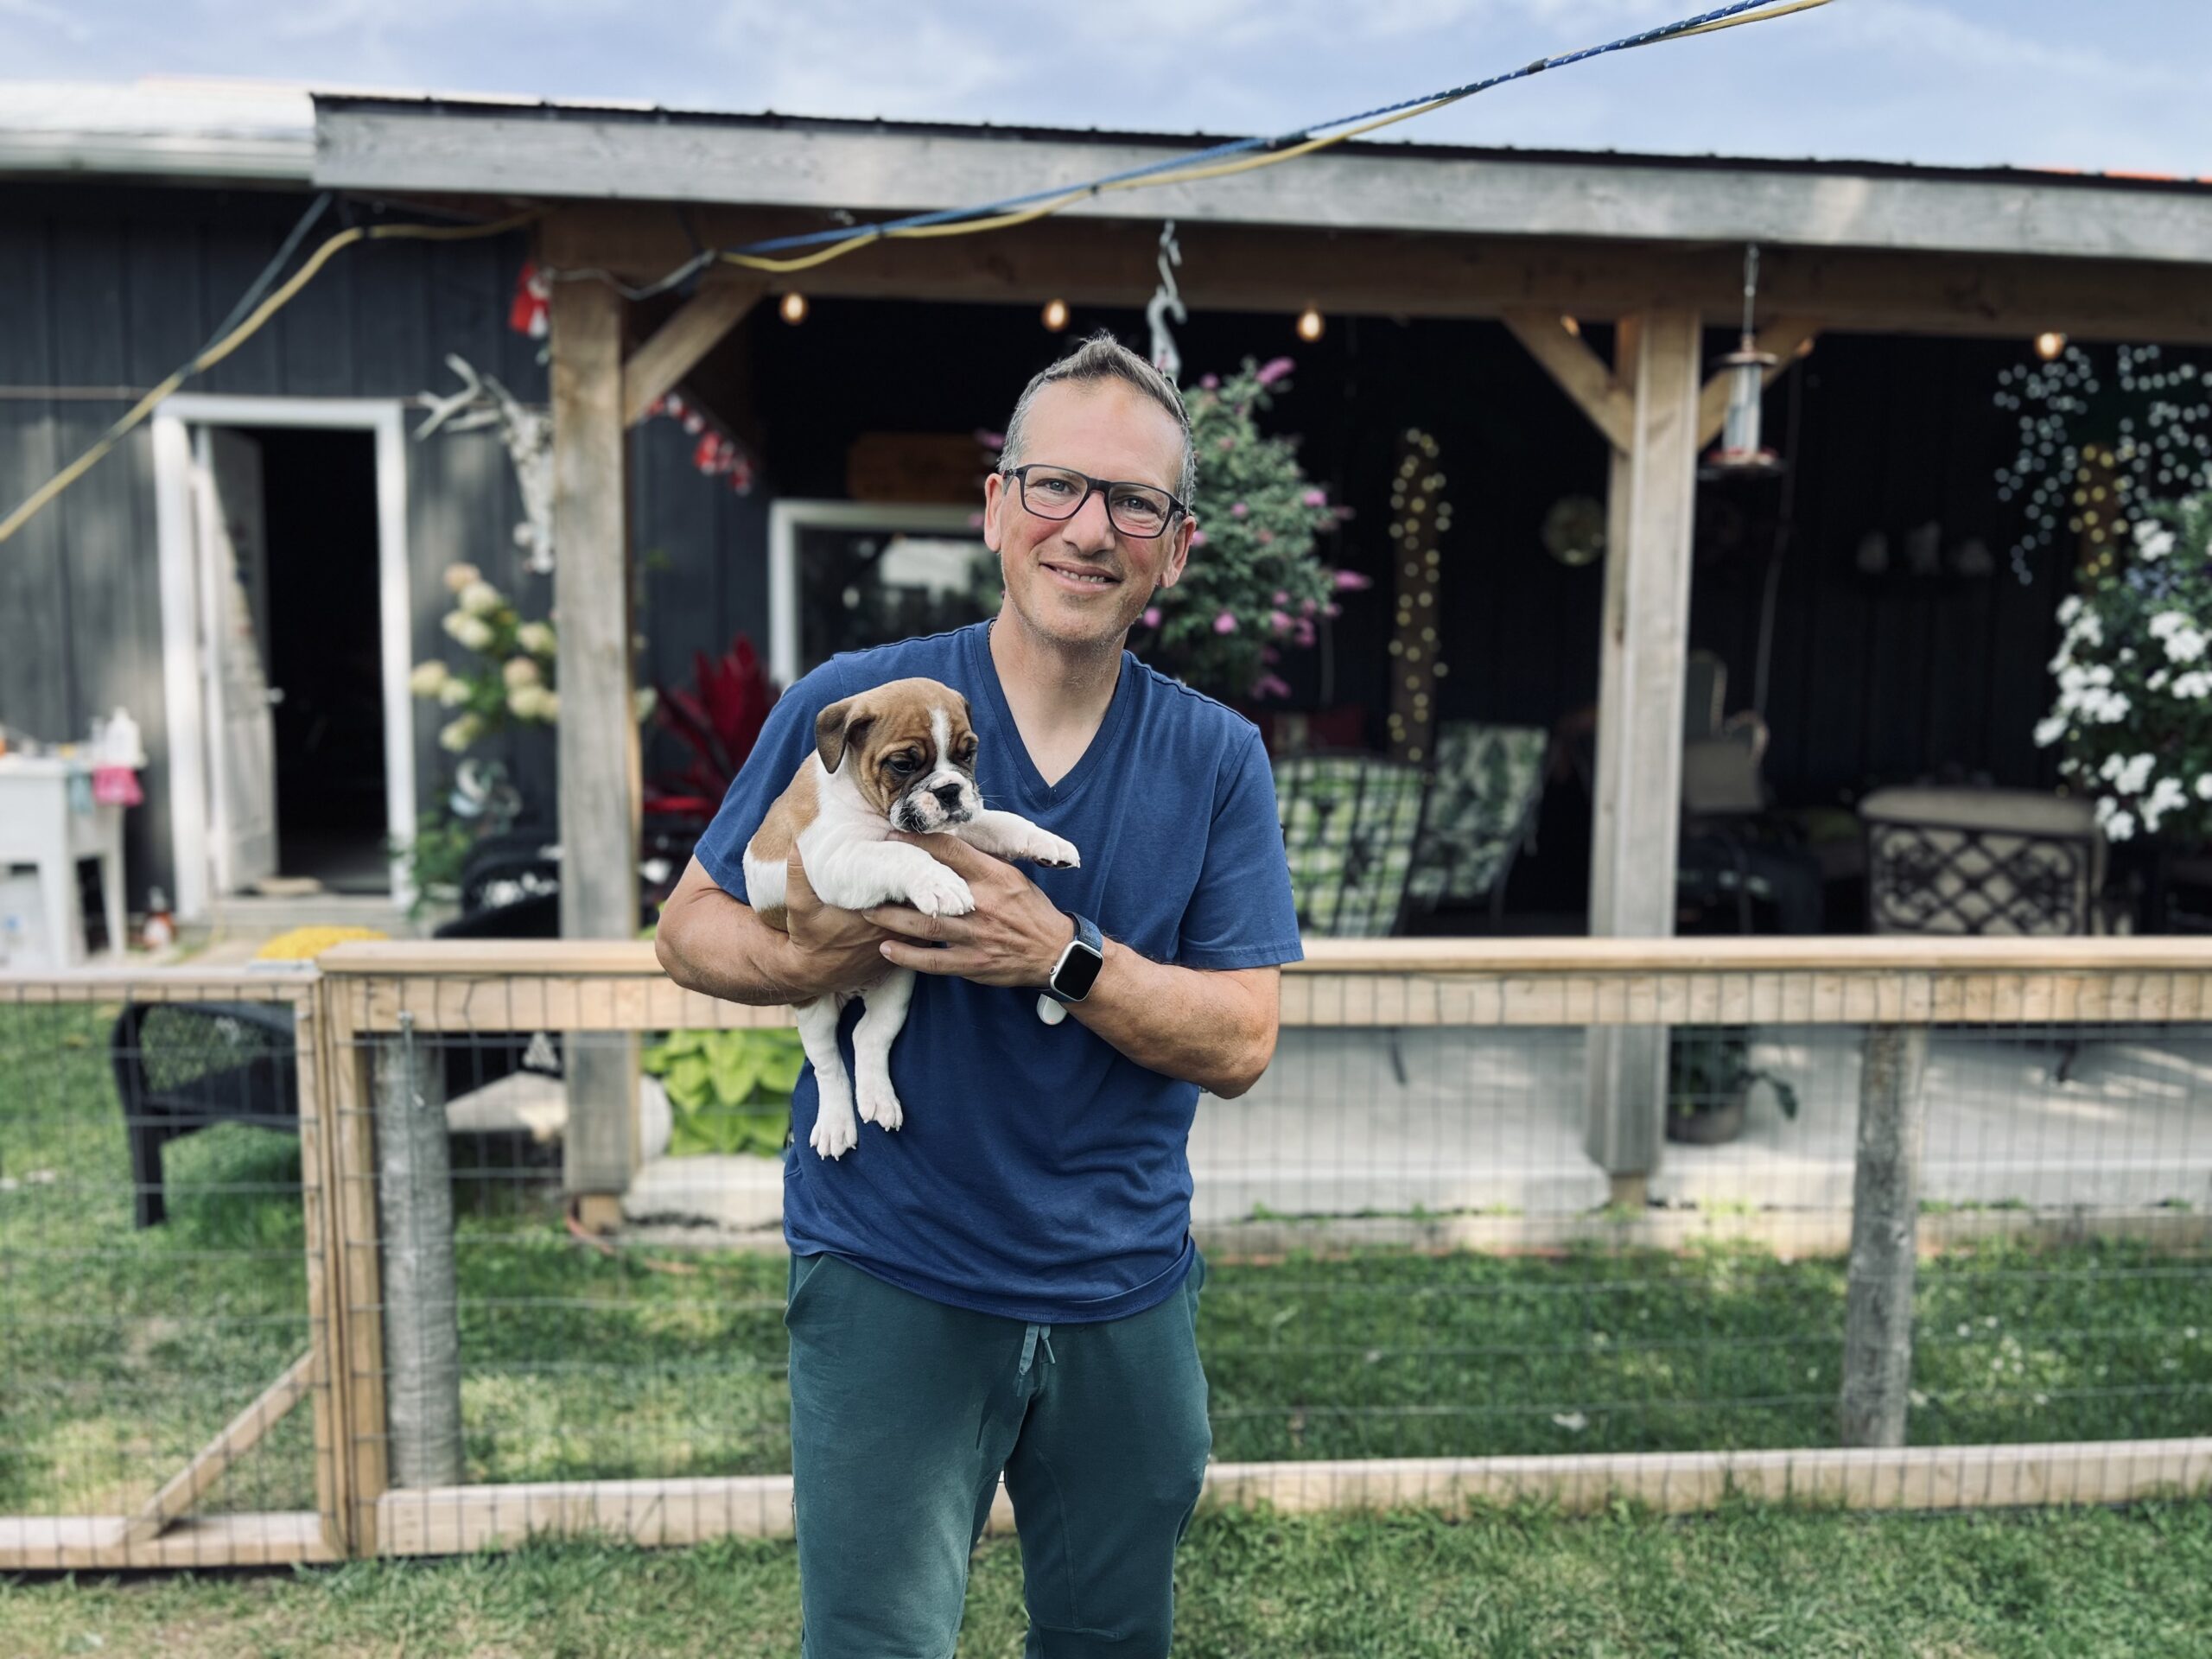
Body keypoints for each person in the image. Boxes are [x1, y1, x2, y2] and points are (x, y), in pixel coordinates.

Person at [655, 330, 1303, 1657]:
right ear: (998, 503)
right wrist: (806, 959)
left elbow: (1241, 1040)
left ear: (1174, 549)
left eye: (1137, 503)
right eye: (1057, 486)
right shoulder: (856, 705)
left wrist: (1059, 954)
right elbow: (689, 926)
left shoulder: (1216, 757)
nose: (1090, 529)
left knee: (1112, 1641)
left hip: (1120, 1282)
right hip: (894, 1268)